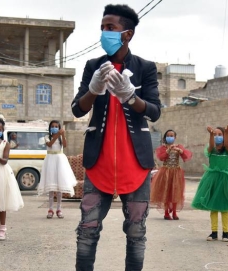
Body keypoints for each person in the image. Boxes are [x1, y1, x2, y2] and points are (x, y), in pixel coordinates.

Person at [70, 4, 161, 270]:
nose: (104, 33)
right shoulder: (93, 66)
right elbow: (78, 109)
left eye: (110, 28)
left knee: (136, 232)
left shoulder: (145, 68)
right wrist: (94, 90)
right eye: (102, 28)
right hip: (99, 162)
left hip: (136, 164)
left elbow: (154, 112)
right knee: (87, 230)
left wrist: (132, 97)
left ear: (127, 34)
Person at [191, 125, 228, 242]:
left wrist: (227, 133)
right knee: (213, 207)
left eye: (220, 135)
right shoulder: (211, 149)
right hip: (212, 179)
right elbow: (210, 146)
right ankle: (214, 233)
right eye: (215, 135)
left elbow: (227, 145)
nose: (217, 137)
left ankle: (225, 233)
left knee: (225, 208)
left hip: (225, 180)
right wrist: (210, 135)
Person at [38, 121, 77, 219]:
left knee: (60, 187)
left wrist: (62, 135)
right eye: (53, 126)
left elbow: (65, 145)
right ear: (50, 128)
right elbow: (50, 144)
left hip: (60, 161)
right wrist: (57, 134)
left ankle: (59, 209)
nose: (54, 128)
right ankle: (50, 209)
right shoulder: (47, 137)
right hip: (50, 160)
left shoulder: (60, 137)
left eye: (56, 126)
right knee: (51, 188)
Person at [150, 129, 191, 220]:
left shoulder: (178, 146)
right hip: (166, 172)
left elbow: (186, 156)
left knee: (176, 192)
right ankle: (166, 212)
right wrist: (168, 151)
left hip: (176, 172)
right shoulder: (163, 148)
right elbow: (161, 157)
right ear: (165, 137)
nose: (170, 137)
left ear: (175, 137)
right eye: (168, 136)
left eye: (172, 136)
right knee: (166, 191)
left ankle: (175, 212)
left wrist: (180, 151)